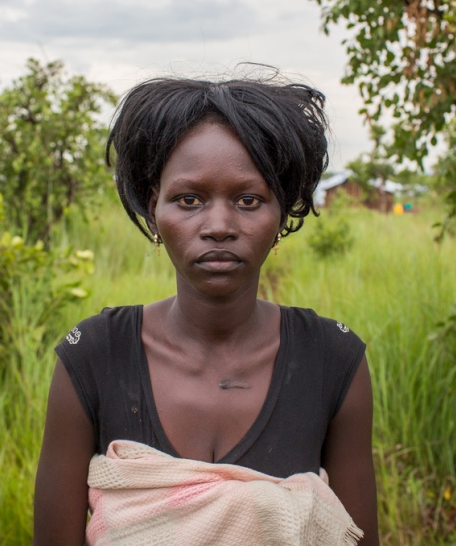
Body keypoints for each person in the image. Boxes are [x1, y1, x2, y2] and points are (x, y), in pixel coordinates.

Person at [34, 76, 379, 545]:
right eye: (189, 200)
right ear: (155, 210)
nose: (218, 226)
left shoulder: (334, 361)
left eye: (248, 200)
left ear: (281, 215)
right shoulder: (94, 357)